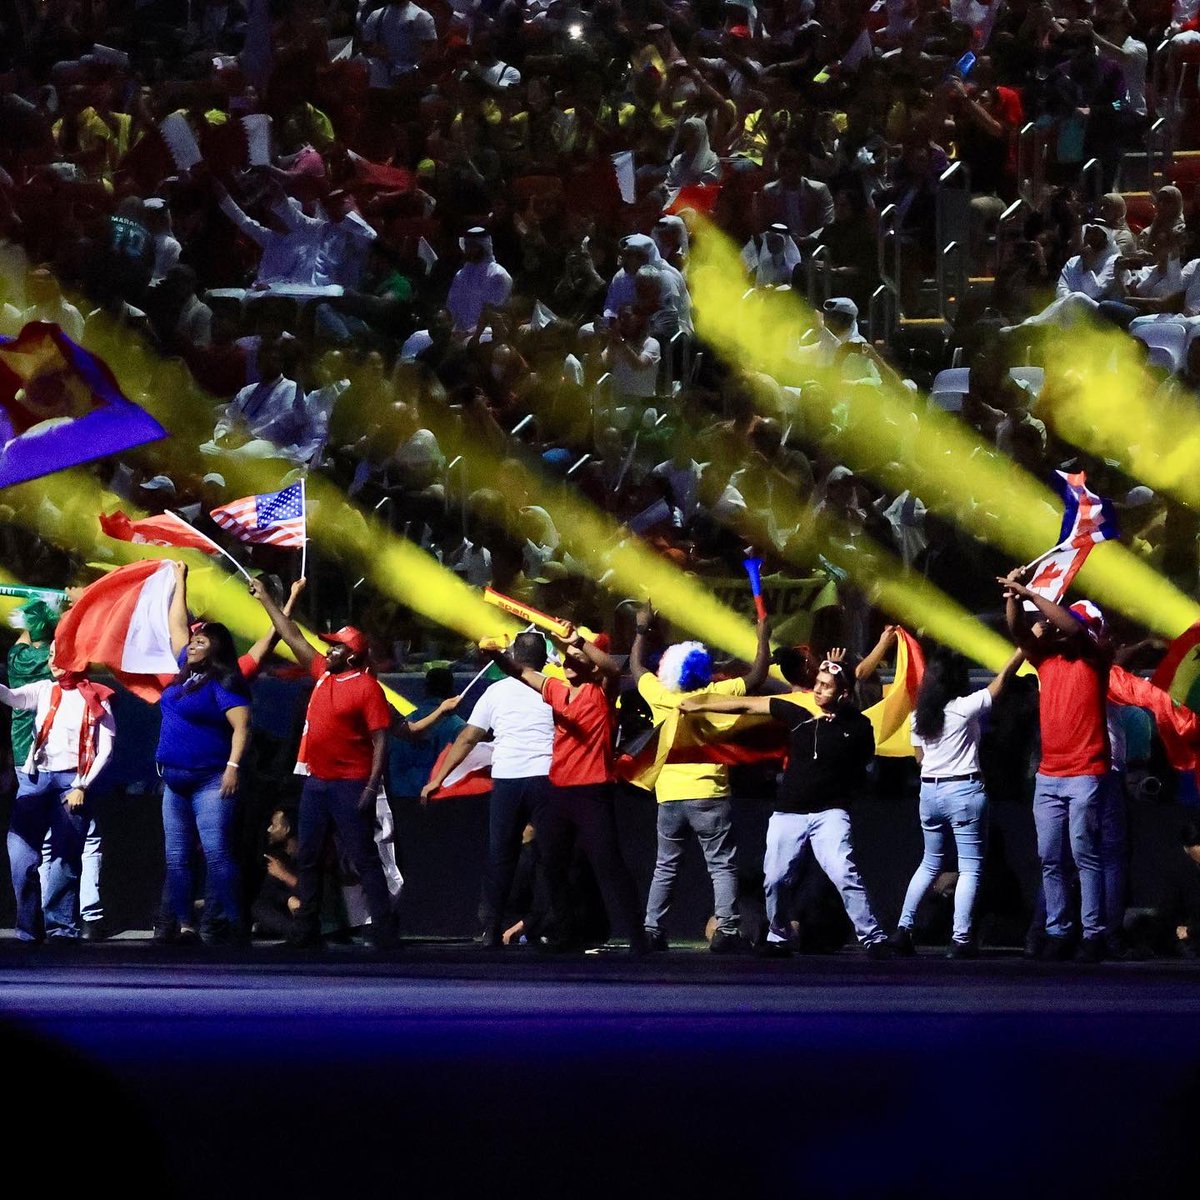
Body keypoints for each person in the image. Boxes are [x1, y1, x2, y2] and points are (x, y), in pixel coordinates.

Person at [681, 657, 890, 958]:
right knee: (775, 878)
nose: (817, 690)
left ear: (843, 694)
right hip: (789, 812)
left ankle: (873, 938)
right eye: (817, 683)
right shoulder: (798, 711)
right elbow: (749, 705)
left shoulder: (859, 726)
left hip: (830, 813)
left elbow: (864, 767)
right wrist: (701, 704)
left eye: (826, 687)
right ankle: (778, 936)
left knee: (844, 873)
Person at [248, 577, 398, 949]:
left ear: (351, 654)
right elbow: (292, 635)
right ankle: (306, 928)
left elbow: (382, 741)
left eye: (335, 647)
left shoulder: (366, 687)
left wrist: (369, 786)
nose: (327, 650)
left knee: (364, 857)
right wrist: (267, 598)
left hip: (350, 783)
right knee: (310, 856)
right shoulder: (322, 674)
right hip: (316, 783)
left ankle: (384, 928)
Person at [493, 622, 646, 953]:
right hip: (558, 791)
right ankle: (566, 932)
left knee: (609, 865)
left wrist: (577, 641)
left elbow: (610, 667)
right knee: (552, 864)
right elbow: (518, 671)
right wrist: (493, 654)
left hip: (592, 793)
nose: (569, 663)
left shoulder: (601, 691)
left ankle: (637, 935)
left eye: (577, 658)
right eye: (566, 658)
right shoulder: (557, 691)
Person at [630, 604, 770, 953]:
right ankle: (725, 931)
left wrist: (642, 631)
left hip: (670, 795)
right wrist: (762, 638)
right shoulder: (717, 696)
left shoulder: (661, 697)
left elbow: (634, 668)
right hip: (710, 792)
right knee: (721, 866)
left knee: (665, 866)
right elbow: (757, 675)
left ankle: (652, 929)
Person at [1001, 569, 1112, 962]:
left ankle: (1094, 933)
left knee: (1084, 855)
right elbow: (1016, 631)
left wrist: (1030, 592)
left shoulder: (1095, 655)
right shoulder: (1047, 658)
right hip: (1050, 774)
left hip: (1085, 771)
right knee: (1050, 857)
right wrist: (1014, 598)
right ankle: (1058, 930)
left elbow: (1073, 627)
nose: (1061, 629)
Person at [422, 631, 555, 947]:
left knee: (501, 855)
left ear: (513, 657)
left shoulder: (496, 691)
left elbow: (468, 738)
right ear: (543, 659)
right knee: (549, 856)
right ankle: (547, 925)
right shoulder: (554, 689)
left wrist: (439, 778)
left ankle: (491, 929)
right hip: (546, 779)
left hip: (509, 779)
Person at [890, 647, 1025, 958]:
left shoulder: (918, 717)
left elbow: (920, 760)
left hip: (929, 793)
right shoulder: (963, 708)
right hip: (963, 791)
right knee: (971, 867)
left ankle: (903, 929)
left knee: (929, 862)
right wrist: (1021, 651)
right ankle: (961, 938)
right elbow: (1000, 682)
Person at [157, 562, 252, 945]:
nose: (193, 642)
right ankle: (185, 926)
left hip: (211, 779)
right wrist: (181, 581)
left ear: (218, 649)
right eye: (194, 640)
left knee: (216, 853)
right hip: (173, 780)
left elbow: (242, 727)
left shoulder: (224, 681)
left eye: (202, 641)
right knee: (176, 858)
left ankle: (234, 924)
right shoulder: (184, 670)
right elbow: (176, 624)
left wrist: (232, 768)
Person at [0, 649, 115, 943]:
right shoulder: (45, 689)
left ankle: (61, 927)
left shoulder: (96, 696)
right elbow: (13, 697)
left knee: (65, 857)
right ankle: (29, 926)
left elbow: (105, 749)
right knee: (20, 855)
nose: (52, 661)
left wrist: (83, 785)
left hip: (72, 782)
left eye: (59, 655)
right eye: (50, 655)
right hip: (36, 779)